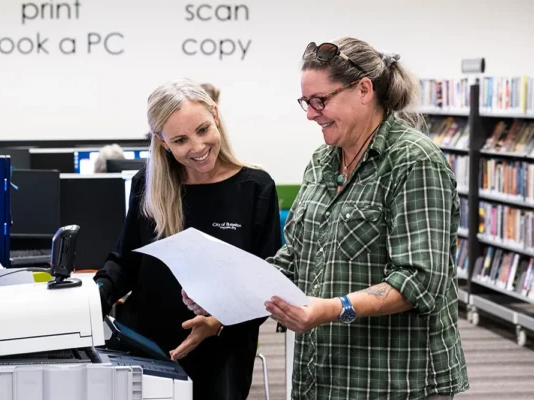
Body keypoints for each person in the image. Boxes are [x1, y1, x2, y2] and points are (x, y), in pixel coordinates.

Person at [187, 37, 470, 399]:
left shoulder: (414, 162)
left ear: (363, 89)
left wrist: (331, 310)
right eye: (306, 102)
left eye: (321, 100)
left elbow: (419, 281)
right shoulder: (323, 161)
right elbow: (295, 259)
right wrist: (225, 302)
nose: (310, 113)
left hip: (396, 378)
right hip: (325, 374)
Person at [93, 78, 282, 400]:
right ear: (162, 141)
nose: (197, 147)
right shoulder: (147, 185)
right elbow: (125, 261)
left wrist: (217, 321)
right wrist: (90, 299)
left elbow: (268, 280)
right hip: (151, 346)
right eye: (180, 139)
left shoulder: (254, 187)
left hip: (222, 350)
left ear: (216, 116)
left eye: (203, 130)